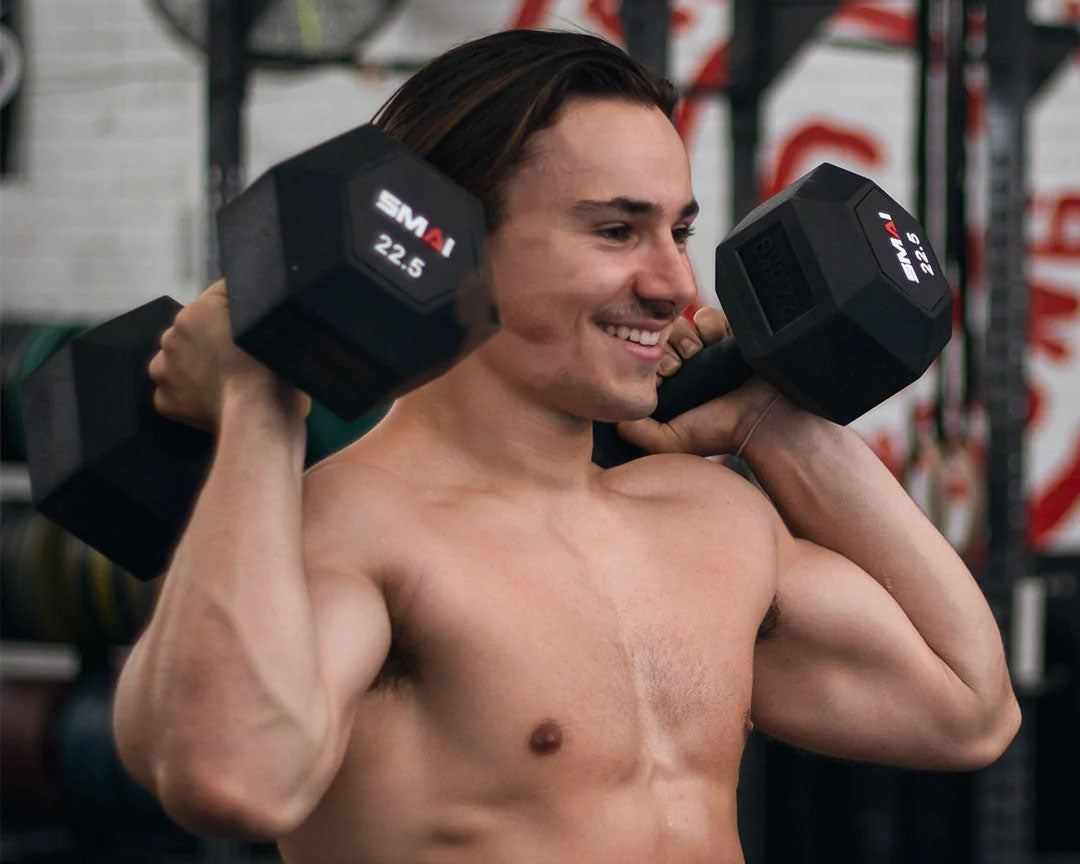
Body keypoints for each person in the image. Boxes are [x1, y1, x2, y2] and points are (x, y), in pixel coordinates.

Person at [113, 29, 1020, 864]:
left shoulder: (709, 518)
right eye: (616, 230)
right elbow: (228, 775)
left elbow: (968, 709)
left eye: (680, 231)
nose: (673, 283)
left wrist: (771, 424)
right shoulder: (352, 536)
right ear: (452, 249)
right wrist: (258, 401)